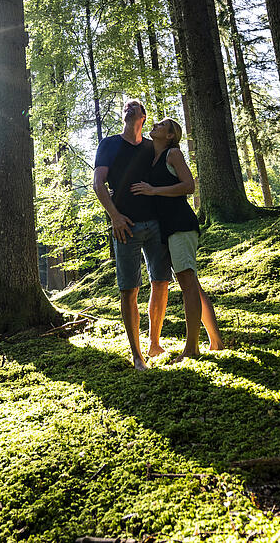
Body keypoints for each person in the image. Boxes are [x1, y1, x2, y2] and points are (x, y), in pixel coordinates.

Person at [131, 118, 224, 359]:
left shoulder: (173, 154)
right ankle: (216, 341)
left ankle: (192, 348)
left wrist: (154, 190)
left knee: (187, 283)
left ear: (171, 135)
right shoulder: (151, 158)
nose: (155, 125)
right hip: (164, 229)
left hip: (181, 224)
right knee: (191, 283)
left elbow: (189, 186)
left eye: (161, 125)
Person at [93, 99, 170, 371]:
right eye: (126, 106)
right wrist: (114, 216)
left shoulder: (152, 147)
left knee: (161, 282)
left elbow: (168, 175)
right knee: (129, 289)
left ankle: (154, 343)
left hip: (156, 225)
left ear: (144, 117)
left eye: (134, 106)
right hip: (125, 226)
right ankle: (137, 355)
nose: (129, 108)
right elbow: (98, 183)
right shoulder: (109, 144)